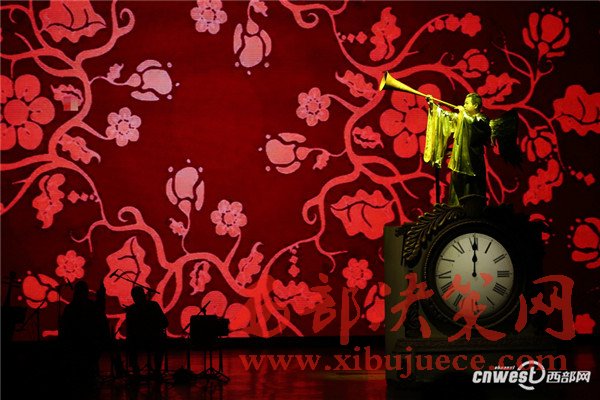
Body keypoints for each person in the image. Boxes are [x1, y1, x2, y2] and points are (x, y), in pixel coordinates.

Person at [424, 93, 492, 206]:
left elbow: (474, 126)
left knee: (470, 190)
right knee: (456, 191)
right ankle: (456, 210)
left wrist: (463, 114)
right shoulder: (463, 117)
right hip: (458, 162)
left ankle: (471, 211)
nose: (464, 105)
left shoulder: (482, 120)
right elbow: (447, 116)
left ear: (475, 105)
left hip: (472, 164)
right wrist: (433, 106)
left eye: (467, 103)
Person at [59, 281, 109, 386]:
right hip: (90, 344)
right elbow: (100, 314)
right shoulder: (91, 306)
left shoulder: (70, 308)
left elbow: (64, 328)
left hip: (76, 344)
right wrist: (101, 297)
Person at [125, 286, 168, 378]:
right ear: (143, 295)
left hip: (137, 342)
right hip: (154, 340)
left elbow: (129, 329)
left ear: (134, 297)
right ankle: (157, 370)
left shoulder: (131, 310)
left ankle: (136, 371)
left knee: (130, 343)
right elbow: (165, 322)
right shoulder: (154, 305)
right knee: (160, 343)